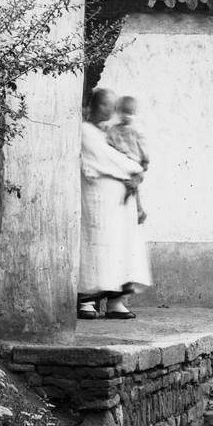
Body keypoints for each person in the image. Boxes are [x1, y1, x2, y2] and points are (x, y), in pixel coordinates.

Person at [79, 88, 147, 320]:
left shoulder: (109, 131)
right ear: (93, 107)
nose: (109, 110)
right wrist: (134, 169)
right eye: (104, 105)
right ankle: (86, 300)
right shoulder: (85, 131)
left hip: (118, 208)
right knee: (98, 250)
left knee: (120, 251)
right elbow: (104, 158)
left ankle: (116, 301)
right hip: (98, 204)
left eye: (112, 105)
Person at [108, 94, 151, 227]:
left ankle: (139, 210)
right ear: (118, 112)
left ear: (134, 114)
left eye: (130, 113)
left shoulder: (136, 129)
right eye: (124, 112)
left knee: (135, 182)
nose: (127, 116)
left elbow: (143, 144)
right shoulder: (114, 130)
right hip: (121, 164)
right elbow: (109, 144)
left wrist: (145, 160)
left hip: (135, 164)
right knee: (125, 185)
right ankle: (132, 208)